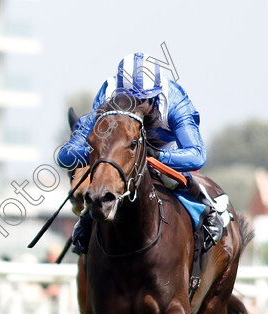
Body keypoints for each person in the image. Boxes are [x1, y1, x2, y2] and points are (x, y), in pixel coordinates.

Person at [56, 52, 223, 254]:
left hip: (162, 150)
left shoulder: (176, 102)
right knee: (101, 185)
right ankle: (84, 224)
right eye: (126, 99)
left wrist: (153, 155)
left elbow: (197, 156)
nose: (134, 108)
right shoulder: (107, 94)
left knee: (175, 181)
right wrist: (104, 154)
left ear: (155, 96)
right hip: (118, 153)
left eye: (141, 100)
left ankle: (208, 212)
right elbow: (66, 155)